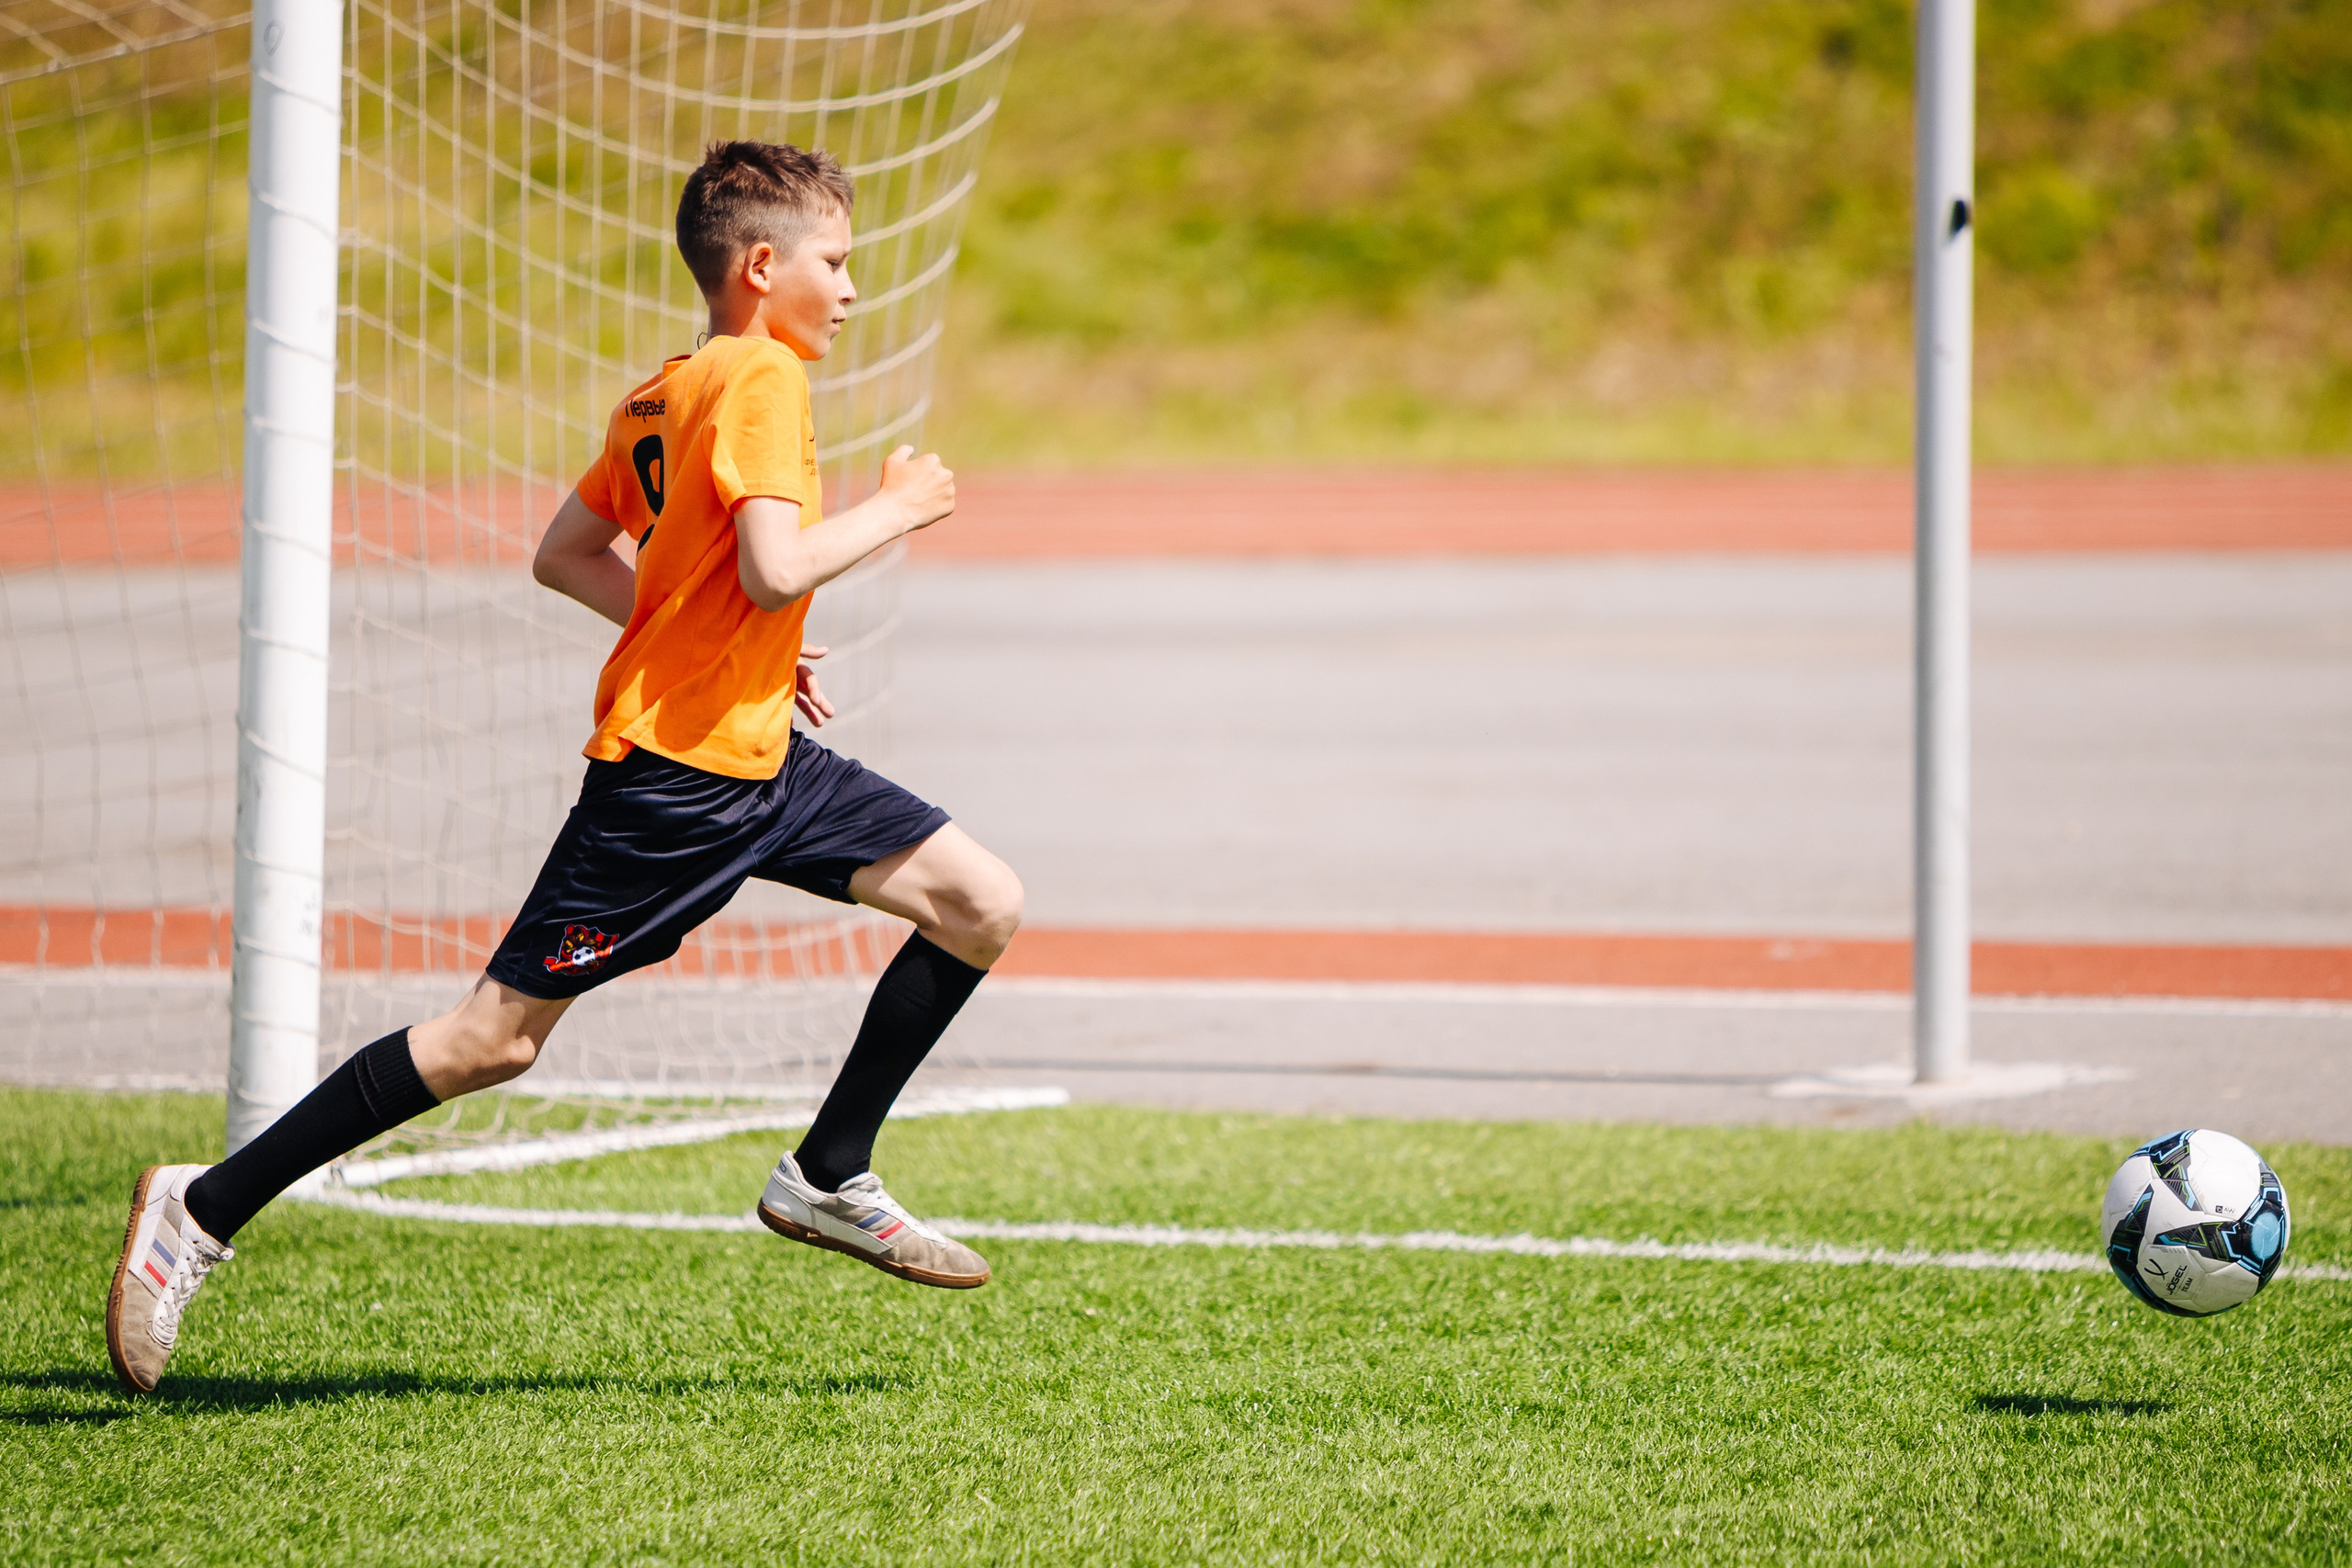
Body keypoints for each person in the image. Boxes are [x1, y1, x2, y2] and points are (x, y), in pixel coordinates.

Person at [106, 141, 1021, 1394]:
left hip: (760, 755)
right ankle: (201, 1208)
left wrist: (725, 635)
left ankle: (826, 1174)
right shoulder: (761, 378)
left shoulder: (663, 391)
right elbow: (779, 568)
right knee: (492, 1042)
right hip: (673, 784)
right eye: (837, 261)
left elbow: (571, 552)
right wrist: (902, 507)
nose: (853, 289)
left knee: (978, 902)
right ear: (762, 267)